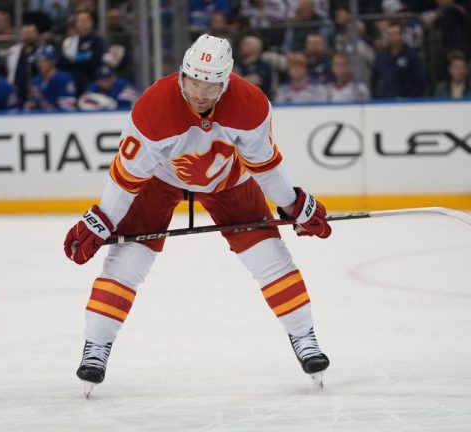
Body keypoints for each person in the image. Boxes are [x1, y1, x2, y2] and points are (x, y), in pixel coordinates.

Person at [64, 34, 332, 395]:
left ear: (226, 82)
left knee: (270, 256)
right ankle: (96, 347)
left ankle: (305, 338)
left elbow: (265, 166)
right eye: (194, 82)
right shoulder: (153, 107)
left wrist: (291, 203)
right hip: (158, 181)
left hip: (229, 181)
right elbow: (126, 178)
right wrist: (102, 220)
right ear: (181, 74)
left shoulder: (250, 103)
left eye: (211, 85)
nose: (201, 93)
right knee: (126, 261)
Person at [372, 21, 425, 99]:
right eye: (390, 35)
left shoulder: (412, 56)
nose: (393, 38)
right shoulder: (381, 56)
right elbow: (375, 79)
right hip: (384, 101)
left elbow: (419, 81)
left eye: (395, 34)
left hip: (406, 101)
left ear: (401, 36)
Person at [61, 10, 105, 93]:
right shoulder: (70, 41)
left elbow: (94, 62)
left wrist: (74, 59)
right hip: (72, 77)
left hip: (89, 77)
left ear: (92, 23)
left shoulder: (97, 41)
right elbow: (62, 61)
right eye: (80, 20)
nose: (83, 23)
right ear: (76, 24)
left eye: (86, 20)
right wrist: (82, 57)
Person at [24, 45, 77, 111]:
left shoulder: (64, 78)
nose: (39, 65)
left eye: (43, 61)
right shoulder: (36, 80)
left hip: (58, 116)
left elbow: (67, 108)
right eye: (38, 62)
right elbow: (31, 106)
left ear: (53, 61)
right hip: (40, 116)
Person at [6, 22, 41, 102]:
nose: (28, 36)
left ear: (37, 34)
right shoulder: (13, 51)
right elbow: (10, 71)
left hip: (37, 92)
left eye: (31, 33)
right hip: (17, 92)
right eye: (25, 33)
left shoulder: (42, 51)